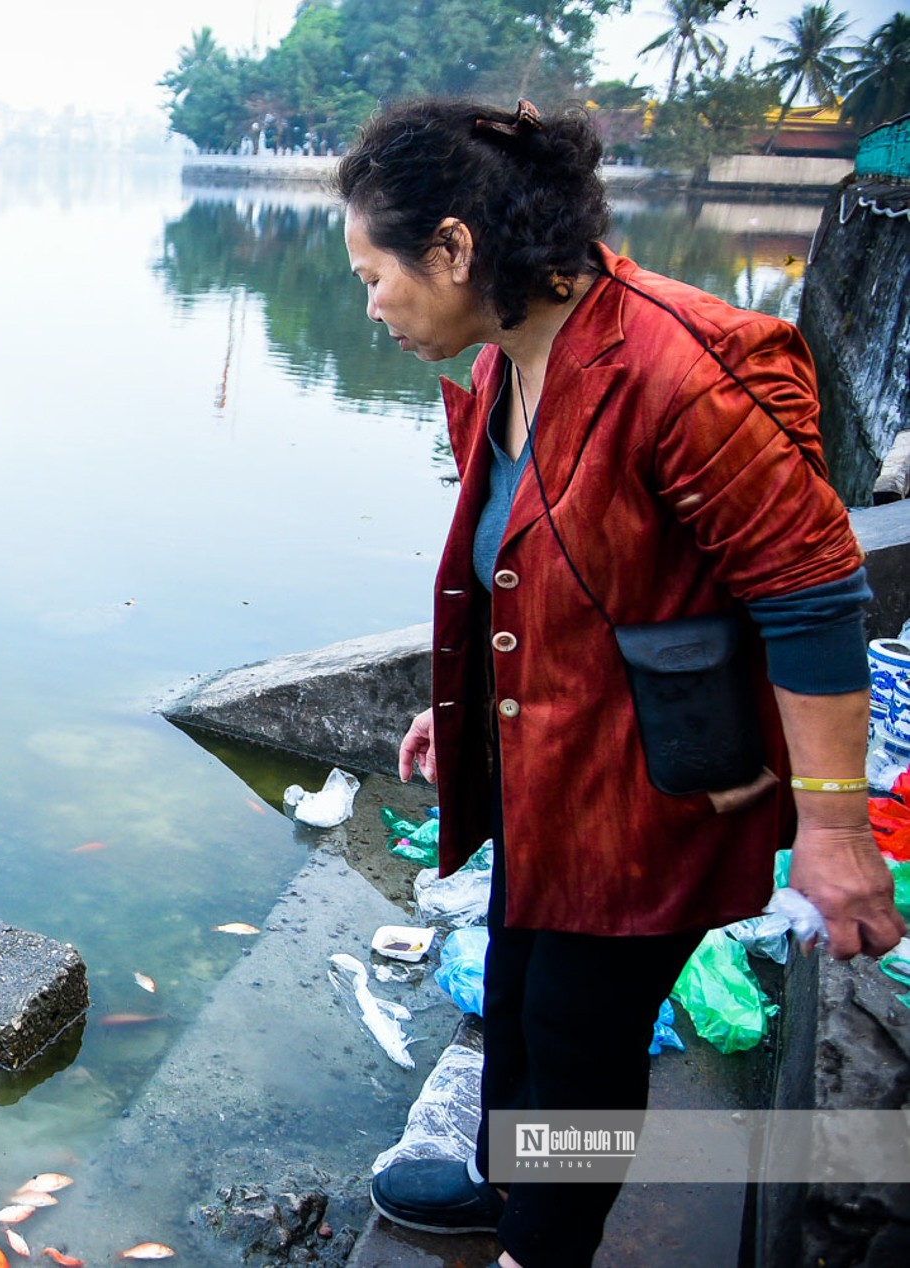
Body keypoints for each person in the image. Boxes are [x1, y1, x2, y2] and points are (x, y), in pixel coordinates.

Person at [335, 97, 906, 1268]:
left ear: (452, 248)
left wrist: (836, 827)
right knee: (518, 990)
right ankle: (512, 1193)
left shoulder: (679, 370)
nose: (370, 300)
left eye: (373, 271)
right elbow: (535, 568)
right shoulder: (508, 360)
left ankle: (543, 1245)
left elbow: (810, 593)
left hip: (654, 792)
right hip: (551, 771)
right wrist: (458, 714)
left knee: (579, 1041)